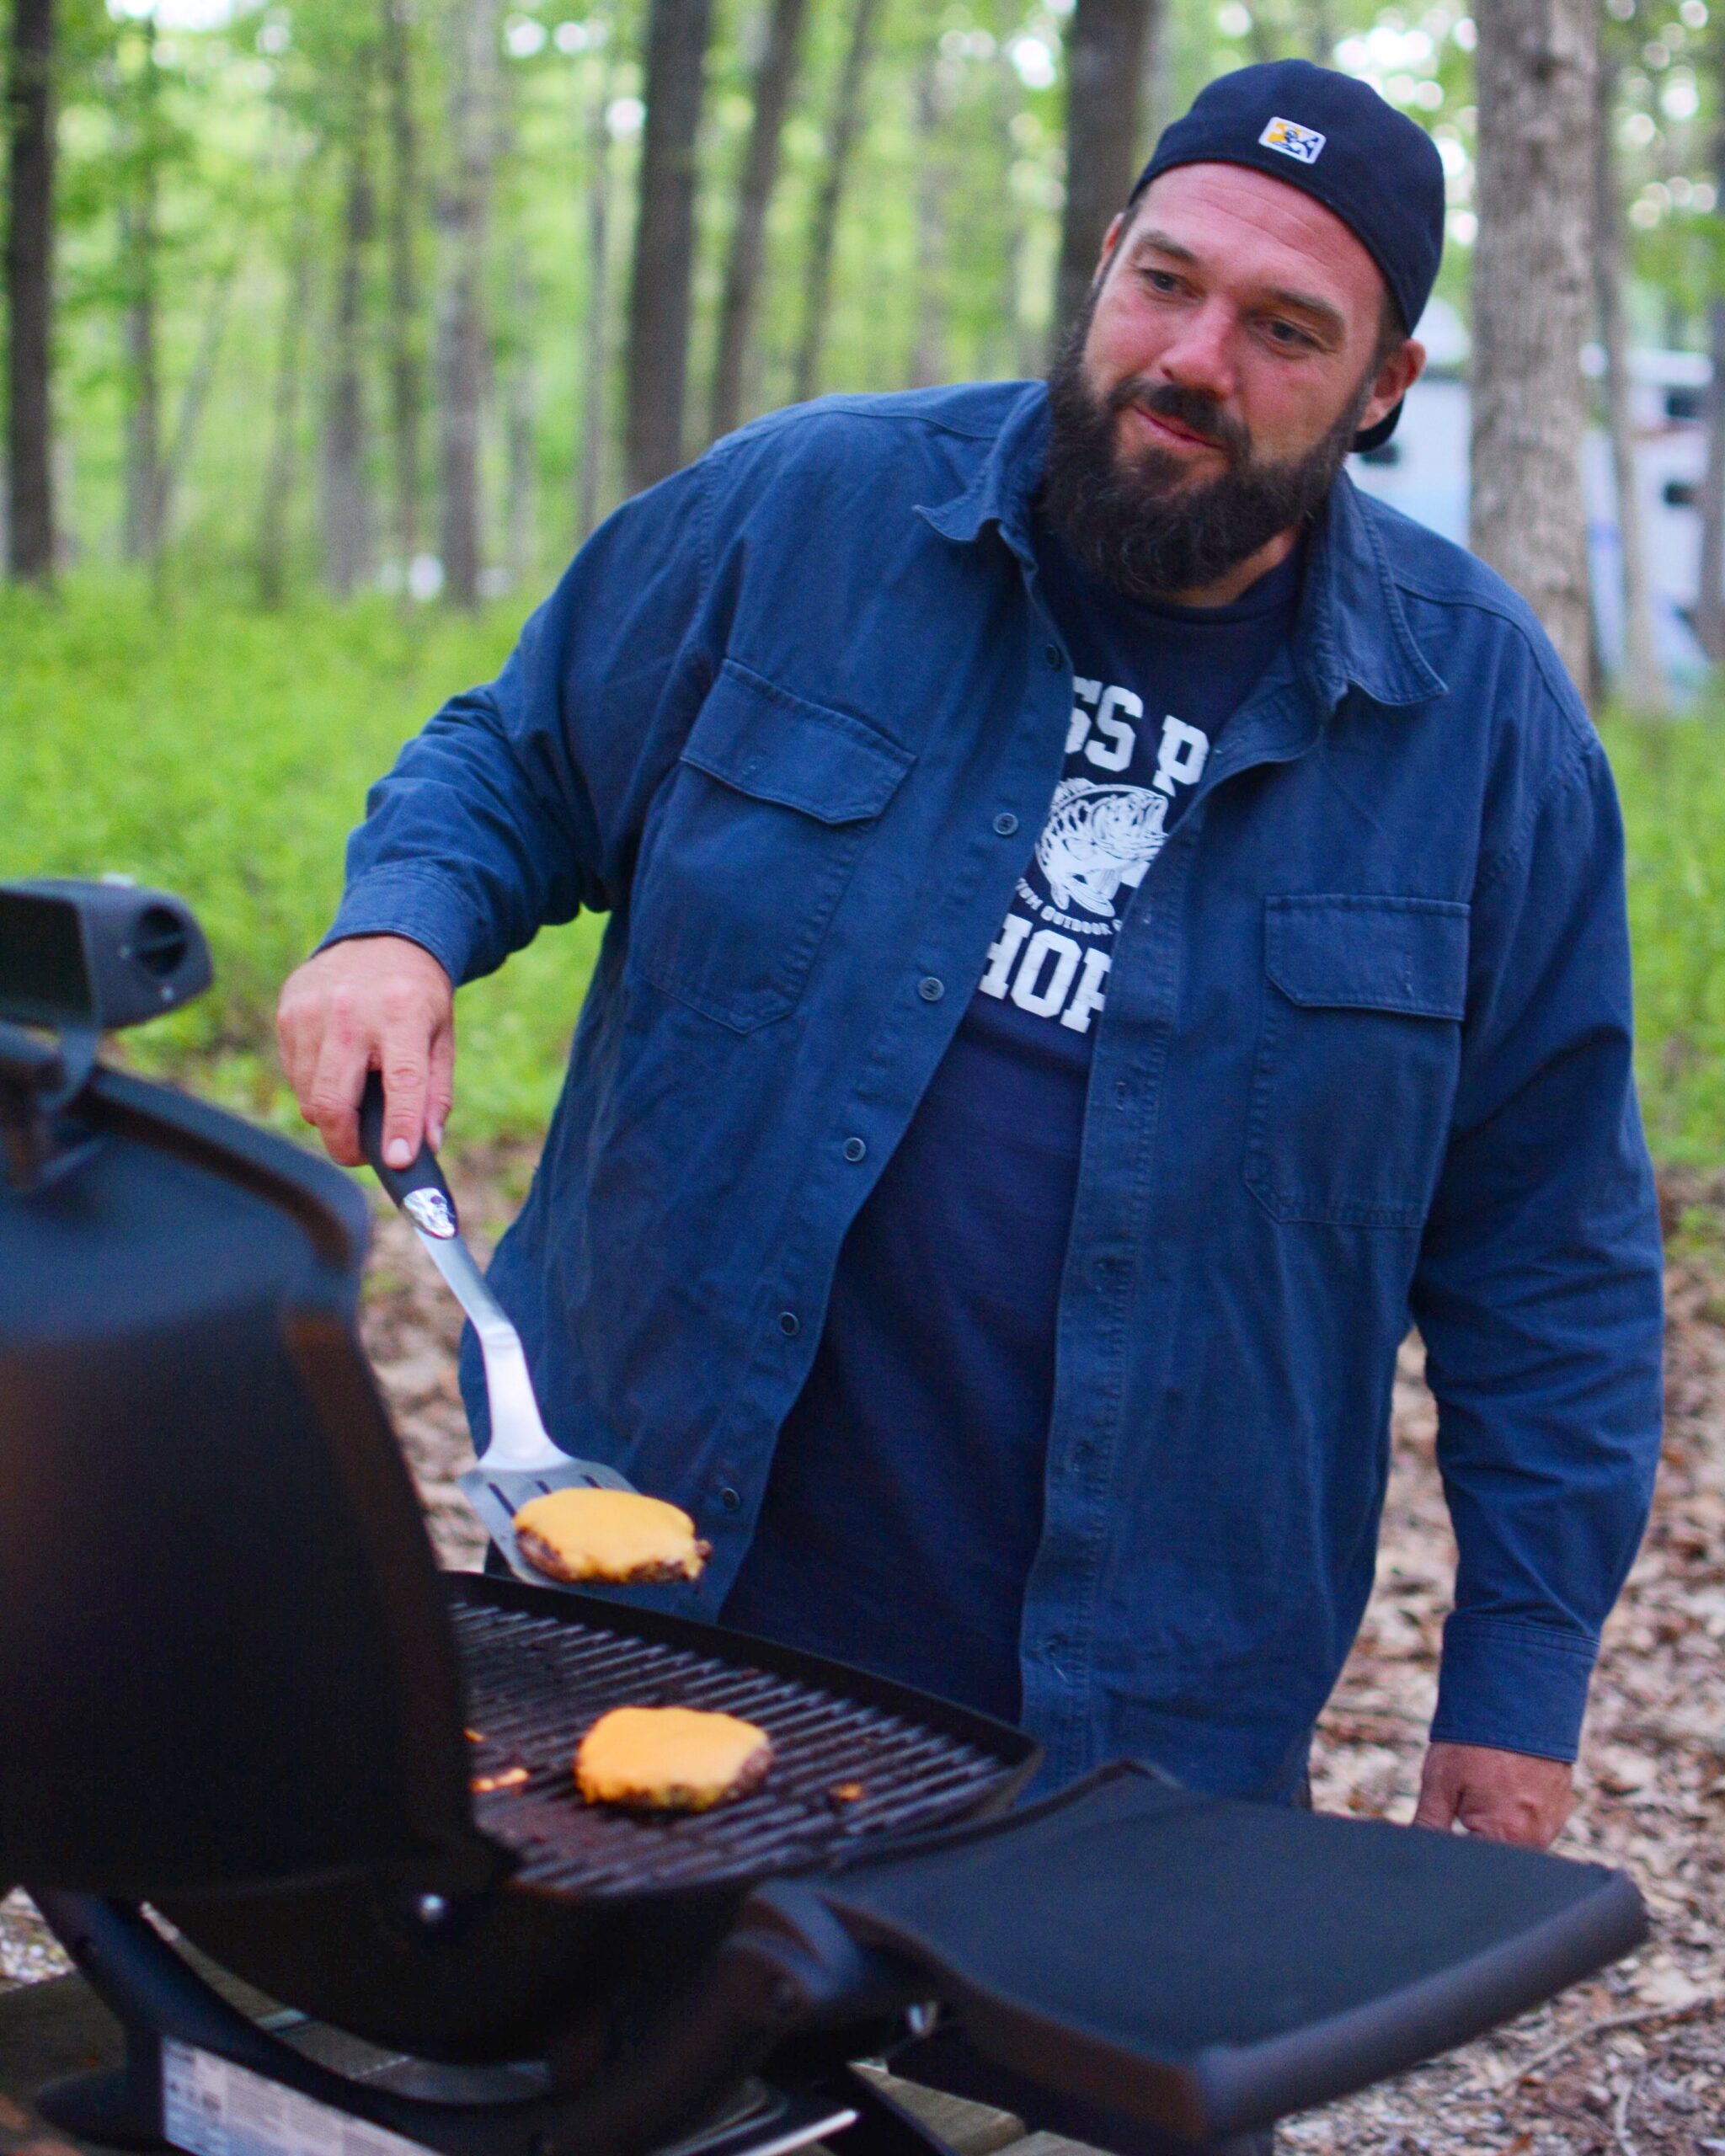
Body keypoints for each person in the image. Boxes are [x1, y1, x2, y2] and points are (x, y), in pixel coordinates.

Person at [280, 62, 1661, 1874]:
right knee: (615, 2083)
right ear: (1104, 261)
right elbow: (518, 759)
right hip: (661, 1573)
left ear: (1382, 387)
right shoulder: (811, 517)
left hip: (1146, 1699)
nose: (1191, 357)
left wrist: (1514, 1680)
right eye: (1164, 281)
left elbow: (1547, 1244)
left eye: (1281, 328)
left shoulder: (1479, 731)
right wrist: (398, 925)